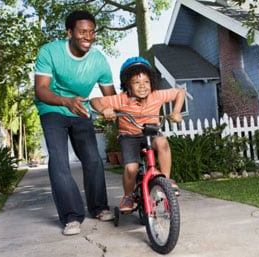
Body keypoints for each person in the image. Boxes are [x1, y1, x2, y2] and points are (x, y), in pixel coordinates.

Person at [33, 10, 115, 236]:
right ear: (69, 32)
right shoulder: (50, 51)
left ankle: (99, 207)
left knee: (93, 159)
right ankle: (71, 216)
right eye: (82, 32)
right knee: (59, 161)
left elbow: (109, 95)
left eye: (91, 32)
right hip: (52, 107)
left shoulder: (98, 60)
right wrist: (66, 102)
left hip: (81, 109)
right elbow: (40, 90)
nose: (88, 36)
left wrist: (111, 109)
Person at [90, 56, 185, 212]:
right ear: (128, 84)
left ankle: (166, 182)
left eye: (146, 82)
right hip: (129, 136)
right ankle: (128, 196)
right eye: (136, 82)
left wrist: (176, 112)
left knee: (162, 143)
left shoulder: (157, 95)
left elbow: (180, 92)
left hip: (151, 132)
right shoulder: (121, 99)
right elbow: (95, 100)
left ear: (152, 83)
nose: (142, 86)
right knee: (131, 168)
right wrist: (104, 110)